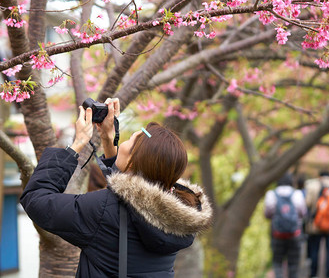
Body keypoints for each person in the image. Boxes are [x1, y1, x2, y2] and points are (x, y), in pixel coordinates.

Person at [20, 98, 213, 277]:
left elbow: (36, 200)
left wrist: (77, 145)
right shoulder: (178, 211)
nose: (123, 144)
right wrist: (108, 139)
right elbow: (129, 196)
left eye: (128, 142)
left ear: (131, 165)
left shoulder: (102, 210)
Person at [264, 172, 307, 278]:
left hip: (277, 234)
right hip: (294, 234)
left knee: (277, 262)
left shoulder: (271, 194)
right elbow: (303, 213)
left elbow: (267, 214)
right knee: (293, 264)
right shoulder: (297, 194)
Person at [305, 170, 329, 278]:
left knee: (315, 249)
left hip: (316, 223)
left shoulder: (312, 185)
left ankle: (313, 273)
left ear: (319, 176)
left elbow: (307, 203)